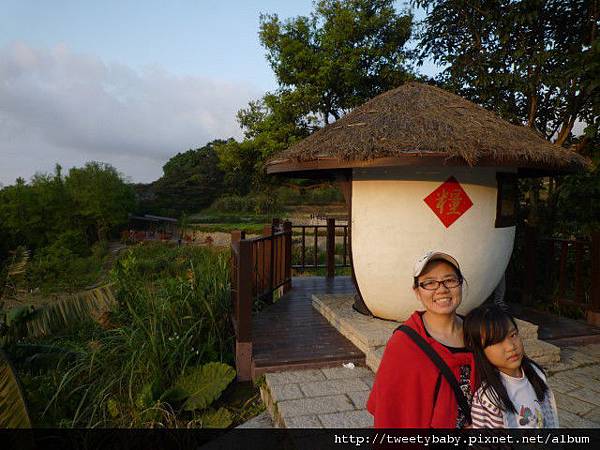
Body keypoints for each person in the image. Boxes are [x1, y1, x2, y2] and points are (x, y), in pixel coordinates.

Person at [367, 251, 475, 428]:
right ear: (417, 292)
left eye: (450, 280)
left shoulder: (477, 333)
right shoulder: (404, 343)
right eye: (430, 283)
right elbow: (391, 409)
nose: (442, 289)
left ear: (460, 284)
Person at [463, 305, 559, 428]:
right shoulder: (488, 400)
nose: (511, 347)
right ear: (480, 349)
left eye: (513, 335)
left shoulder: (536, 373)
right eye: (497, 341)